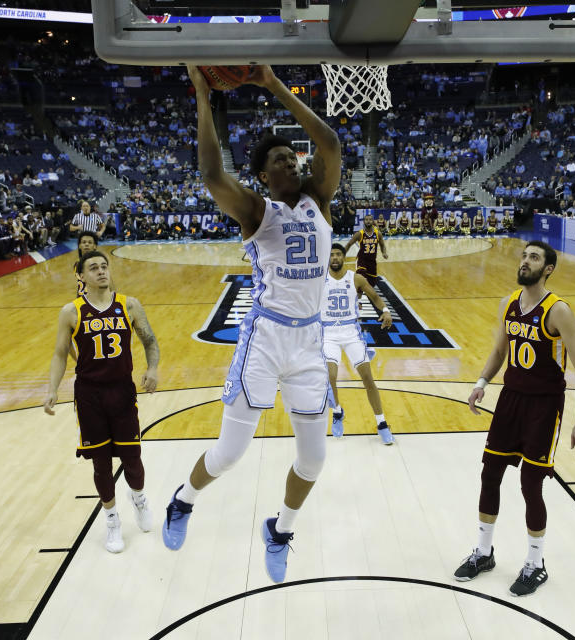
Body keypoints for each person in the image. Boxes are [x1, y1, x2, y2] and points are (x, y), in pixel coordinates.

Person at [162, 65, 341, 584]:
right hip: (264, 338)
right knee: (230, 453)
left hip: (309, 339)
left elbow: (327, 140)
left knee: (314, 459)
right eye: (281, 160)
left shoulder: (319, 200)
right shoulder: (256, 211)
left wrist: (272, 84)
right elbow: (214, 175)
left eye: (293, 156)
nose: (292, 161)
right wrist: (202, 96)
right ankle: (184, 498)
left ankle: (280, 530)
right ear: (265, 175)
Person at [455, 241, 575, 596]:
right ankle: (483, 554)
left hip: (544, 406)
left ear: (548, 268)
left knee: (531, 484)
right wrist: (481, 382)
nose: (525, 261)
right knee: (490, 475)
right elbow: (500, 350)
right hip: (510, 400)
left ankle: (536, 563)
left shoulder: (558, 310)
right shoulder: (508, 304)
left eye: (534, 258)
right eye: (524, 256)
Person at [43, 250, 160, 553]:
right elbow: (59, 353)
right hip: (90, 394)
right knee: (101, 463)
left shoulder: (129, 304)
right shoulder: (71, 311)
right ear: (81, 276)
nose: (101, 271)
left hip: (122, 390)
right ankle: (112, 521)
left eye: (104, 266)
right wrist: (53, 389)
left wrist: (153, 368)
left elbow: (149, 340)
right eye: (93, 268)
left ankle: (139, 498)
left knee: (132, 456)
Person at [322, 243, 394, 442]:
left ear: (344, 257)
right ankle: (337, 412)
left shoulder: (356, 278)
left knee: (368, 379)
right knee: (330, 377)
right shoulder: (319, 279)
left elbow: (375, 297)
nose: (335, 258)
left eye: (338, 254)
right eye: (332, 255)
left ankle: (381, 423)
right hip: (328, 333)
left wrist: (385, 311)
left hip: (351, 333)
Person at [344, 213, 388, 296]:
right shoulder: (359, 234)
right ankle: (358, 300)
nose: (368, 221)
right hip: (362, 259)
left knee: (371, 283)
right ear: (364, 221)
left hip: (372, 261)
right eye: (366, 220)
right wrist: (343, 254)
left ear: (373, 221)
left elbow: (382, 245)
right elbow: (349, 244)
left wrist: (384, 253)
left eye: (370, 219)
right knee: (361, 277)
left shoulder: (378, 233)